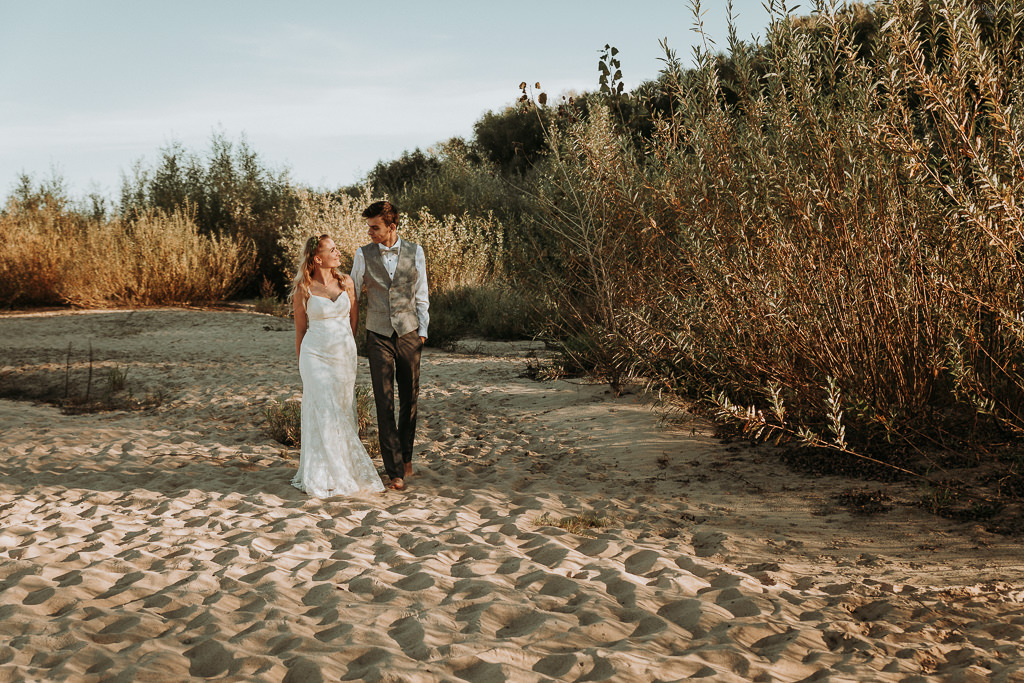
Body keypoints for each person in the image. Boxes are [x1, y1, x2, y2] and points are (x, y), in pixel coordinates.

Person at [289, 234, 385, 497]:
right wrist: (302, 367)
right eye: (332, 250)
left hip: (343, 355)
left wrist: (345, 349)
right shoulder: (303, 289)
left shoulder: (347, 283)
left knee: (341, 410)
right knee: (323, 408)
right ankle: (321, 474)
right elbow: (300, 332)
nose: (338, 253)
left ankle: (339, 468)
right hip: (314, 355)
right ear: (318, 258)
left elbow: (352, 322)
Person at [350, 201, 428, 491]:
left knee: (410, 400)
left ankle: (406, 456)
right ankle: (394, 470)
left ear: (392, 227)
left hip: (409, 333)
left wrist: (423, 333)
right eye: (368, 227)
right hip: (378, 334)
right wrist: (351, 330)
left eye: (375, 227)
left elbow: (422, 294)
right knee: (384, 402)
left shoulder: (415, 252)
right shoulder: (363, 254)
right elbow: (354, 294)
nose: (370, 232)